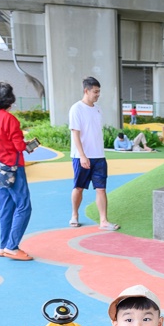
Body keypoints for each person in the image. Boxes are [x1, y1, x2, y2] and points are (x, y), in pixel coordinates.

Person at [0, 81, 35, 261]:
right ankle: (12, 247)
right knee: (23, 206)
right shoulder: (10, 119)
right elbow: (19, 146)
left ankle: (3, 245)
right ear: (9, 98)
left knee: (6, 207)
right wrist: (27, 145)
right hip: (13, 168)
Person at [68, 76, 118, 230]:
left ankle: (104, 221)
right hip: (81, 156)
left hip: (99, 156)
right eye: (95, 92)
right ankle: (74, 215)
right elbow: (75, 134)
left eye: (99, 92)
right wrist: (82, 155)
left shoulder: (97, 108)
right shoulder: (76, 108)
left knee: (101, 188)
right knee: (79, 187)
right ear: (86, 90)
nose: (98, 95)